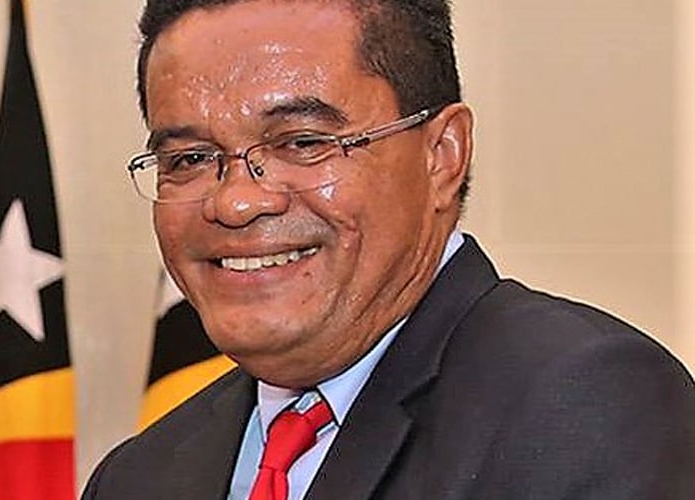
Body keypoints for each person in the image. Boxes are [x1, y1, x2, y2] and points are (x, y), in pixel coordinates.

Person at [81, 0, 695, 498]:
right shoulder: (139, 476)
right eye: (189, 158)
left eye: (302, 143)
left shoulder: (581, 405)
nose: (236, 201)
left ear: (442, 155)